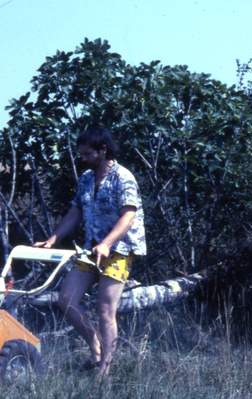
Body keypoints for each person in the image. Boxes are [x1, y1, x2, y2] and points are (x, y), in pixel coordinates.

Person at [34, 126, 146, 378]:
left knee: (105, 309)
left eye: (87, 154)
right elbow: (75, 212)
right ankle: (95, 346)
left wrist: (107, 243)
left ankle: (104, 370)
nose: (82, 158)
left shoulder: (123, 177)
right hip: (91, 248)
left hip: (119, 249)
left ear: (102, 150)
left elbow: (129, 215)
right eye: (81, 154)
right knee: (66, 299)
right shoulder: (86, 178)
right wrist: (53, 238)